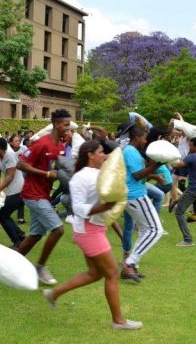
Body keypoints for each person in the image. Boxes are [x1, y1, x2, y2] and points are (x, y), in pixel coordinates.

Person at [42, 141, 142, 330]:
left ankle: (54, 294)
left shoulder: (100, 173)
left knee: (95, 274)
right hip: (88, 231)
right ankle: (118, 321)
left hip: (94, 228)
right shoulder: (79, 178)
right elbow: (78, 207)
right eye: (100, 152)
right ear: (90, 155)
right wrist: (105, 207)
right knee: (112, 273)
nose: (104, 154)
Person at [16, 109, 71, 285]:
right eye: (65, 125)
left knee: (35, 234)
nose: (68, 129)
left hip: (44, 195)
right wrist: (46, 174)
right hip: (32, 194)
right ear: (55, 124)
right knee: (58, 229)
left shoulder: (61, 147)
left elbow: (60, 170)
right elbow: (20, 164)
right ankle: (39, 267)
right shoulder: (41, 144)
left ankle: (9, 264)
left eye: (69, 125)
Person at [120, 125, 166, 276]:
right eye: (144, 137)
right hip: (136, 195)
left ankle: (131, 266)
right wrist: (157, 165)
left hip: (134, 194)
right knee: (156, 230)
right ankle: (129, 262)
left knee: (145, 230)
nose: (145, 141)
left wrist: (154, 175)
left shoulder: (131, 151)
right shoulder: (130, 151)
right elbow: (137, 175)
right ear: (137, 138)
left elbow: (140, 172)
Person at [0, 137, 26, 248]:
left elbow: (10, 176)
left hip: (19, 190)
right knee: (4, 215)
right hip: (11, 191)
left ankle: (17, 242)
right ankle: (20, 235)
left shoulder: (10, 156)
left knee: (2, 215)